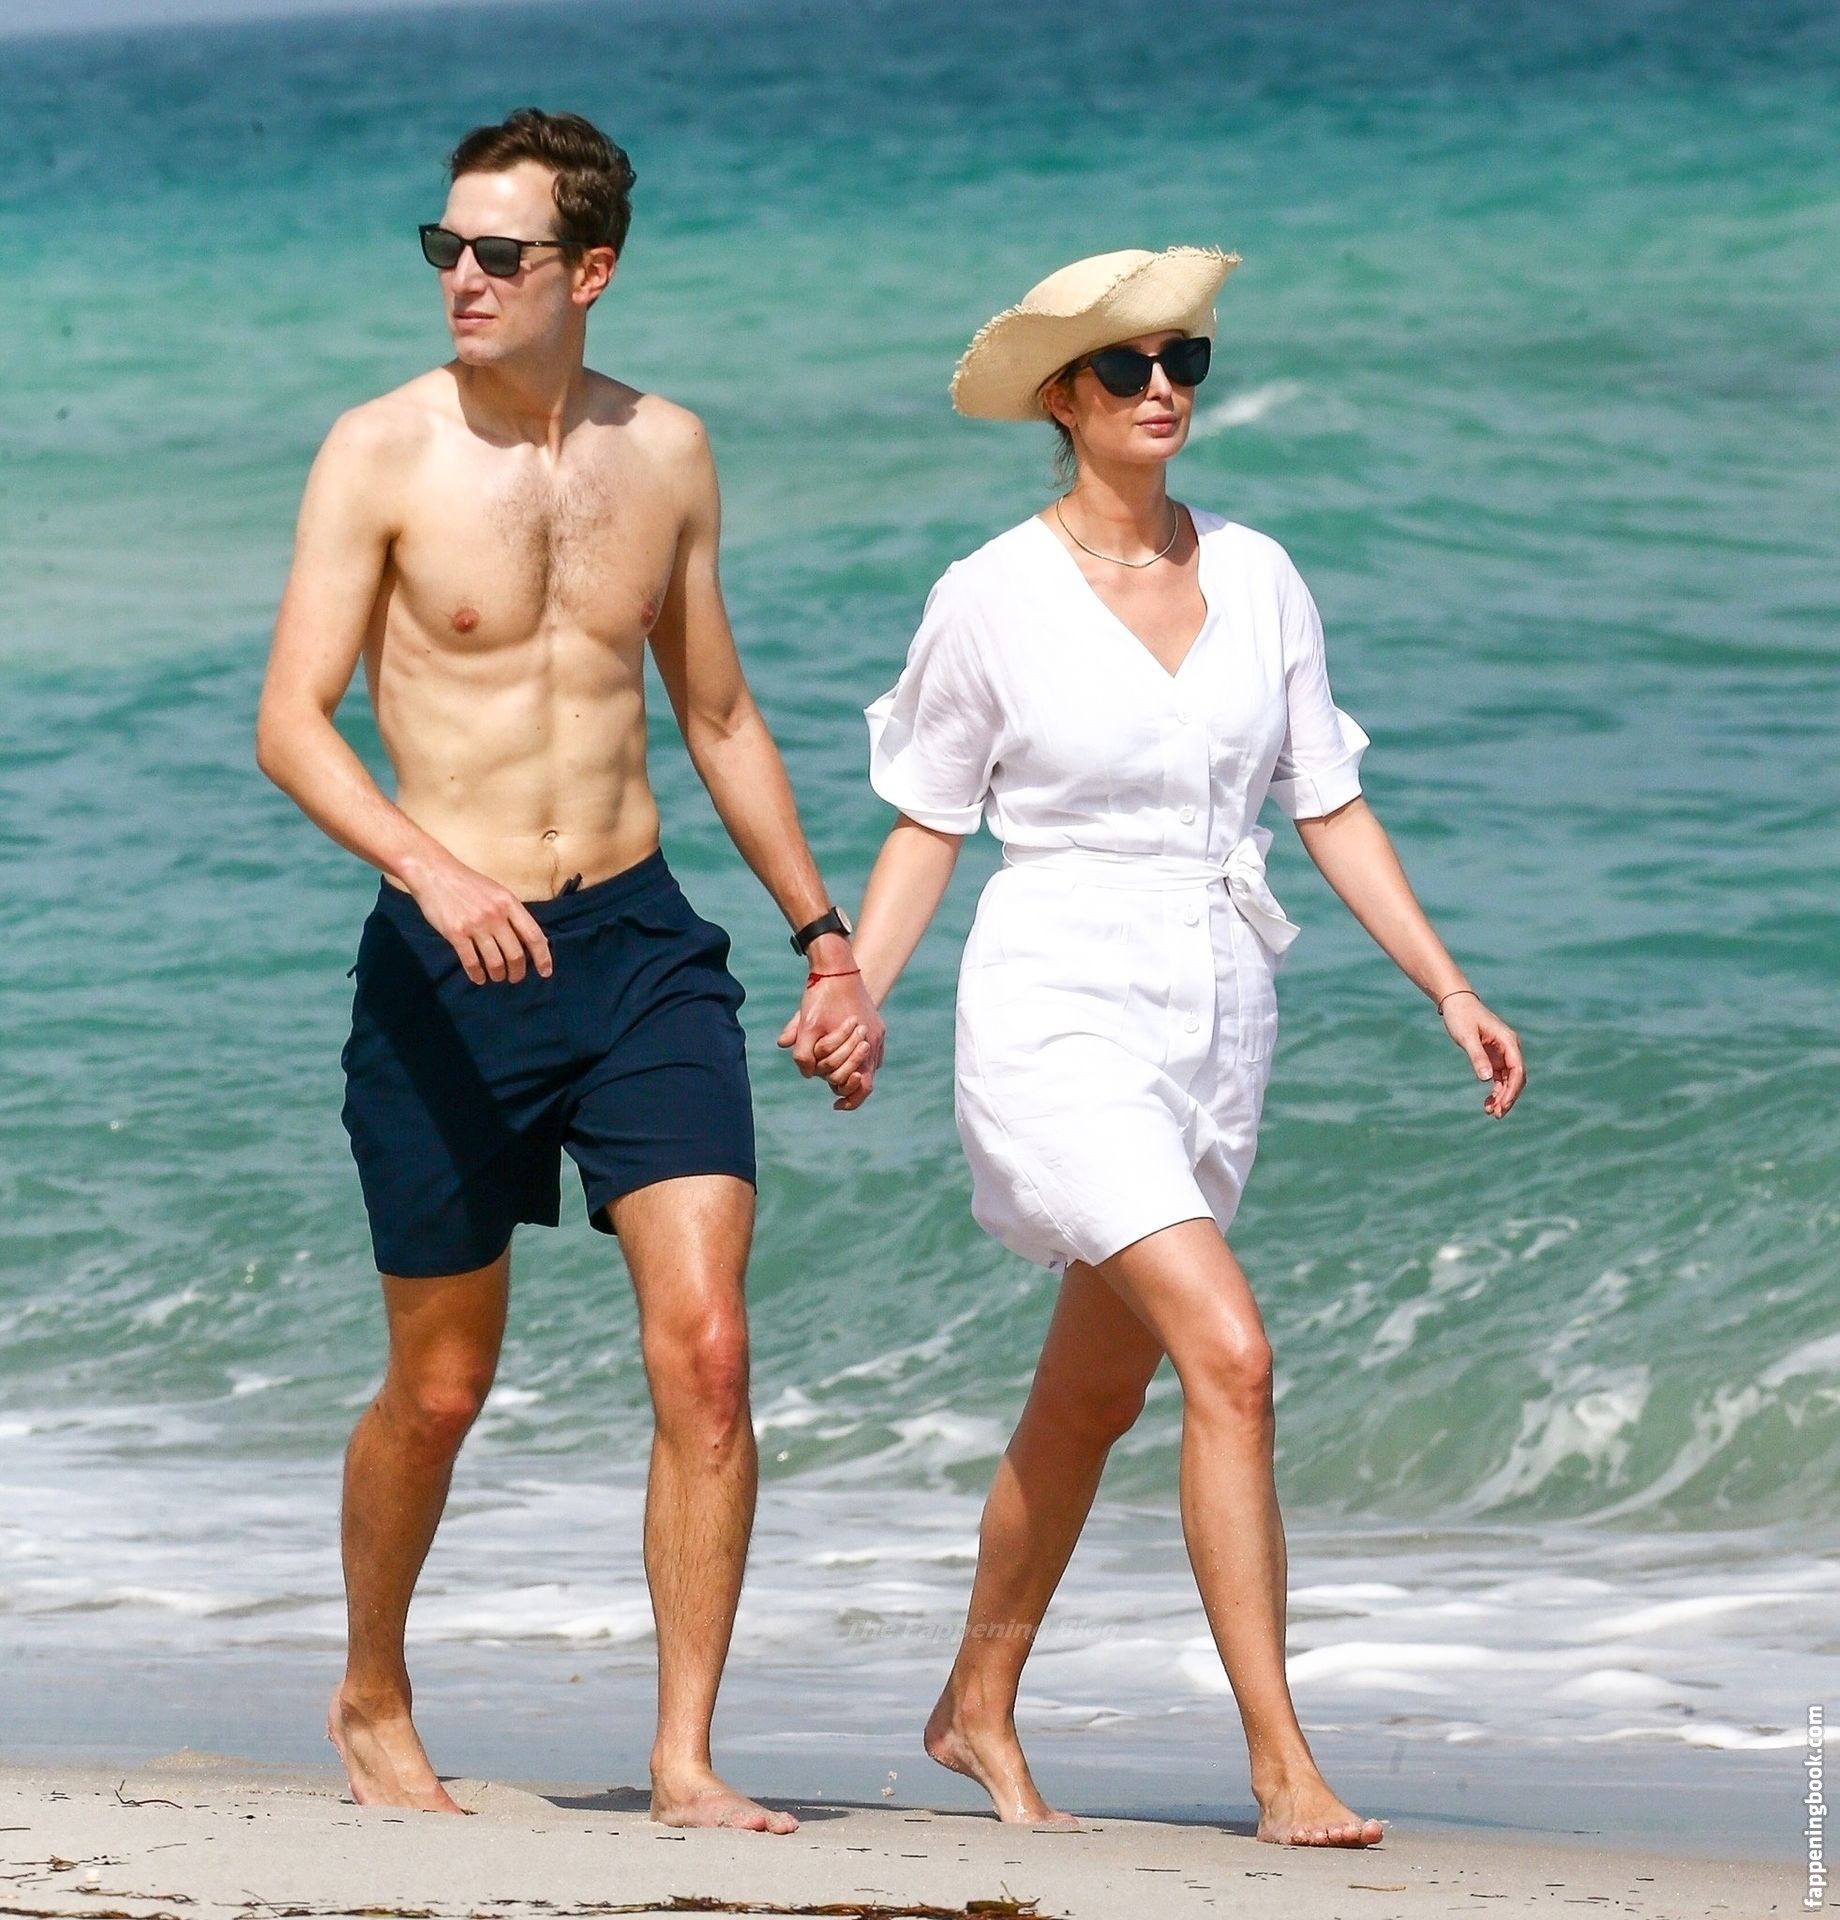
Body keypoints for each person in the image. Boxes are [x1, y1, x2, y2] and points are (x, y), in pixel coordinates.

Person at [829, 247, 1526, 1846]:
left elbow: (1327, 803)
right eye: (1127, 366)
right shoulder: (991, 593)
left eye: (1184, 362)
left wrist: (1448, 987)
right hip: (1057, 997)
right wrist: (858, 985)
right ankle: (1283, 1767)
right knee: (1231, 1353)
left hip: (1218, 1005)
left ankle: (974, 1703)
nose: (1162, 388)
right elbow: (930, 821)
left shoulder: (1262, 575)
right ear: (1059, 399)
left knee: (1091, 1399)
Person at [254, 107, 879, 1831]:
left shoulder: (666, 451)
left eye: (498, 253)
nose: (461, 277)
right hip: (443, 963)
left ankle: (684, 1759)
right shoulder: (379, 452)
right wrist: (430, 867)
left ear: (587, 271)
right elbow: (292, 722)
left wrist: (827, 941)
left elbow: (719, 714)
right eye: (443, 247)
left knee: (709, 1352)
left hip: (635, 946)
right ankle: (371, 1686)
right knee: (442, 1387)